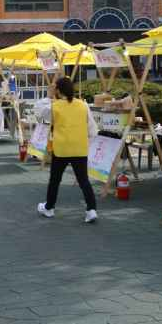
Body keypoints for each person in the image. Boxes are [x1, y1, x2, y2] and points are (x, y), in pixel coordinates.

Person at [37, 77, 100, 224]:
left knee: (55, 180)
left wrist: (48, 96)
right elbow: (92, 130)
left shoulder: (54, 106)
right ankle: (91, 210)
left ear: (58, 90)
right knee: (83, 180)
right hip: (80, 147)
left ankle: (49, 208)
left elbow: (39, 114)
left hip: (62, 148)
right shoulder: (83, 105)